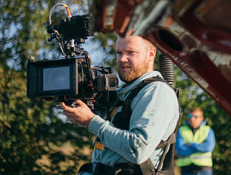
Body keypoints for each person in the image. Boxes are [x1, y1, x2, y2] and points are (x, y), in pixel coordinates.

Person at [62, 35, 180, 175]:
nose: (123, 59)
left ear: (151, 54)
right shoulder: (126, 94)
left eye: (131, 52)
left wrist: (92, 121)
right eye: (119, 53)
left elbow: (138, 149)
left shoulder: (156, 92)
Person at [175, 107, 215, 175]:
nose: (192, 118)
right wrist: (199, 146)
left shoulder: (208, 130)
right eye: (190, 116)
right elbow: (180, 150)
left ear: (201, 118)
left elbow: (208, 148)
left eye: (195, 116)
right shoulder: (181, 130)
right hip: (186, 170)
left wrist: (190, 144)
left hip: (204, 170)